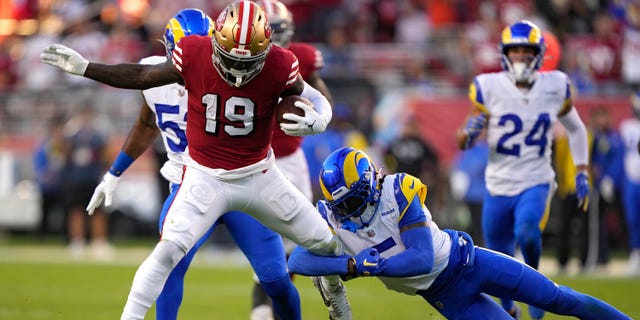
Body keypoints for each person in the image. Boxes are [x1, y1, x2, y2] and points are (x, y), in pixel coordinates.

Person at [41, 2, 344, 320]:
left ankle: (330, 300)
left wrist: (318, 120)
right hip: (196, 178)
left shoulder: (277, 64)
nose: (237, 70)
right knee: (168, 259)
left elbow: (313, 97)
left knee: (281, 274)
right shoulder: (183, 62)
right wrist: (113, 171)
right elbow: (144, 100)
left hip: (254, 176)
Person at [287, 146, 631, 320]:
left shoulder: (397, 189)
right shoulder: (335, 218)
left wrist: (370, 267)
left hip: (469, 261)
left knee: (558, 298)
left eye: (354, 201)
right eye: (341, 205)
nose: (348, 212)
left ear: (370, 185)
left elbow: (421, 257)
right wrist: (349, 267)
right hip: (446, 295)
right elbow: (299, 259)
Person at [455, 20, 590, 319]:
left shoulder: (556, 85)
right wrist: (470, 131)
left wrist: (582, 170)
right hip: (498, 185)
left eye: (526, 51)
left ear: (539, 54)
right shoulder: (487, 86)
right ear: (504, 54)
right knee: (501, 258)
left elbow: (576, 129)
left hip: (536, 179)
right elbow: (461, 140)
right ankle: (510, 308)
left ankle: (537, 290)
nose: (520, 57)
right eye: (514, 50)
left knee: (528, 233)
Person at [251, 2, 350, 320]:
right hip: (252, 158)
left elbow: (326, 105)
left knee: (302, 234)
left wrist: (315, 118)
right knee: (265, 237)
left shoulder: (301, 58)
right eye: (269, 28)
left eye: (278, 29)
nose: (274, 36)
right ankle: (263, 304)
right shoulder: (241, 59)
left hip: (290, 158)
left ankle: (273, 305)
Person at [60, 105, 112, 259]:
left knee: (98, 210)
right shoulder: (72, 132)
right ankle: (77, 241)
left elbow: (106, 153)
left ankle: (99, 241)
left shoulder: (98, 133)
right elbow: (64, 151)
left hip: (93, 176)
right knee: (76, 209)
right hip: (76, 177)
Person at [620, 90, 640, 276]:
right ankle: (635, 254)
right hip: (632, 179)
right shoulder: (627, 126)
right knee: (633, 220)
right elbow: (621, 153)